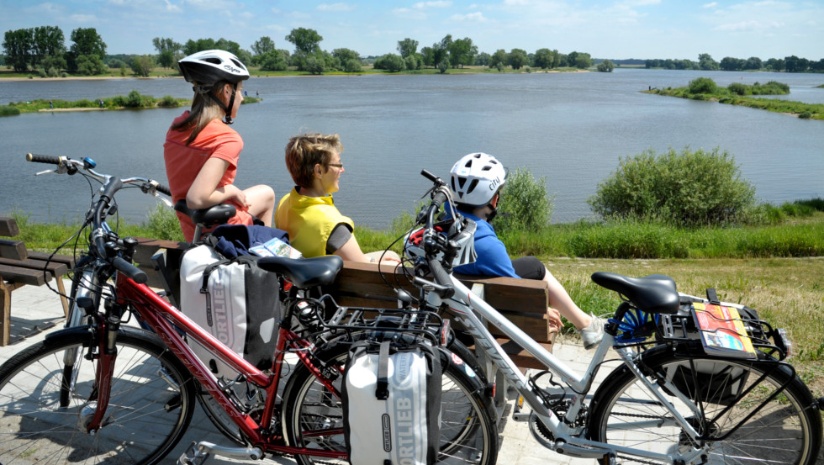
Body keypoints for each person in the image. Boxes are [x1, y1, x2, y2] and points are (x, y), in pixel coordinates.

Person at [448, 152, 604, 349]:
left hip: (450, 315)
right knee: (524, 289)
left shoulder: (433, 228)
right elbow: (516, 296)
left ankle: (586, 324)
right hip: (478, 325)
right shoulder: (487, 246)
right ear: (494, 199)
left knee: (532, 266)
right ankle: (586, 326)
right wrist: (542, 312)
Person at [163, 50, 275, 242]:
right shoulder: (227, 138)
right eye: (239, 90)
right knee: (269, 201)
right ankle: (260, 255)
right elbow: (196, 199)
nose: (242, 97)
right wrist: (232, 190)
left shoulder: (176, 127)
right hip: (223, 233)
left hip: (192, 230)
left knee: (266, 193)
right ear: (226, 91)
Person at [275, 133, 400, 264]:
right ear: (319, 171)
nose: (343, 170)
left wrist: (372, 259)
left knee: (391, 254)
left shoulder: (285, 202)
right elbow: (365, 270)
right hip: (328, 282)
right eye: (338, 164)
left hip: (300, 272)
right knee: (394, 263)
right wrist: (377, 261)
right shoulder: (332, 225)